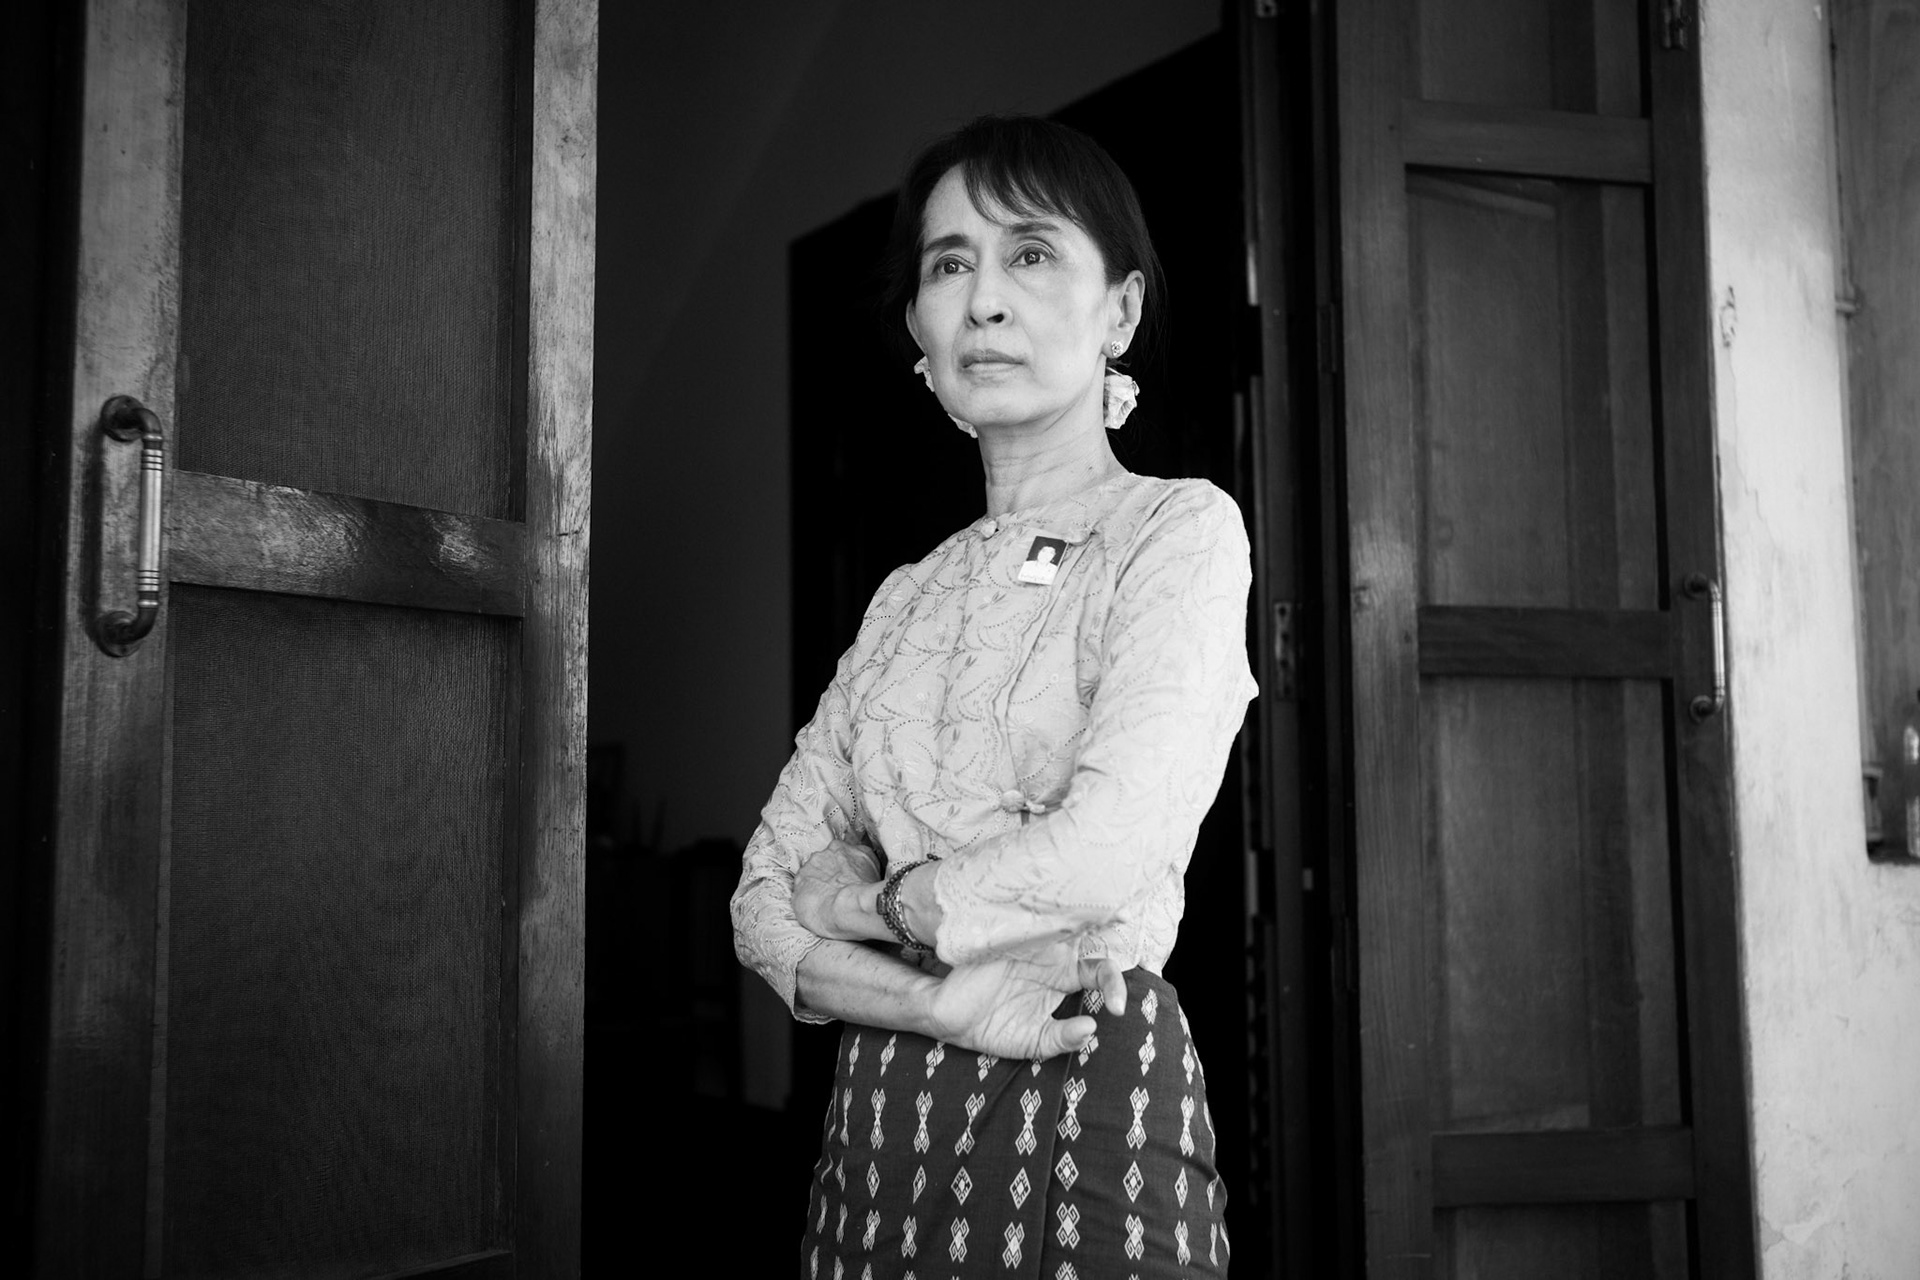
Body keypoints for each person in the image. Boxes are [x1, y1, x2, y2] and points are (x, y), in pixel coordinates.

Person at [731, 114, 1257, 1279]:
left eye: (1030, 254)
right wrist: (936, 1006)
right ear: (919, 331)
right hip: (880, 1109)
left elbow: (1105, 849)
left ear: (1118, 313)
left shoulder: (1176, 532)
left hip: (1081, 1066)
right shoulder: (904, 599)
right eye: (949, 263)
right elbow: (762, 903)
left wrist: (872, 904)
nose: (984, 299)